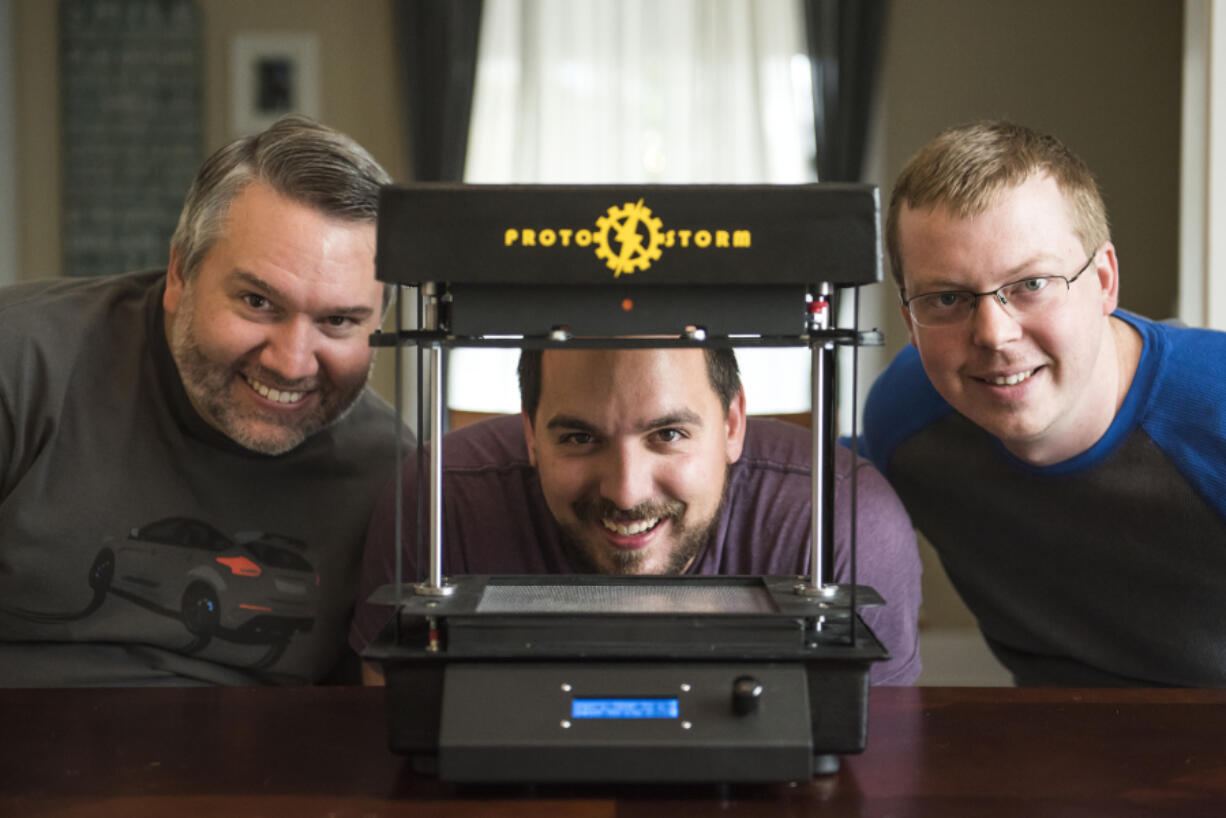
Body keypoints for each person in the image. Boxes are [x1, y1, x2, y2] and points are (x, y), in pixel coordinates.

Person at [0, 115, 404, 686]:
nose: (291, 362)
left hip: (253, 770)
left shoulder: (393, 476)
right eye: (258, 302)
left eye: (338, 321)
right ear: (179, 275)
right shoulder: (20, 368)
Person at [862, 120, 1226, 686]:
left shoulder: (1214, 414)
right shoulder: (906, 421)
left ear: (1105, 280)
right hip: (1051, 745)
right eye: (947, 298)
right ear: (910, 319)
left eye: (1031, 284)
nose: (994, 335)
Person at [350, 346, 923, 685]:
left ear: (731, 424)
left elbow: (873, 777)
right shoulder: (435, 501)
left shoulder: (844, 520)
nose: (625, 492)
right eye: (578, 437)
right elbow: (389, 762)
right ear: (529, 432)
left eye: (668, 434)